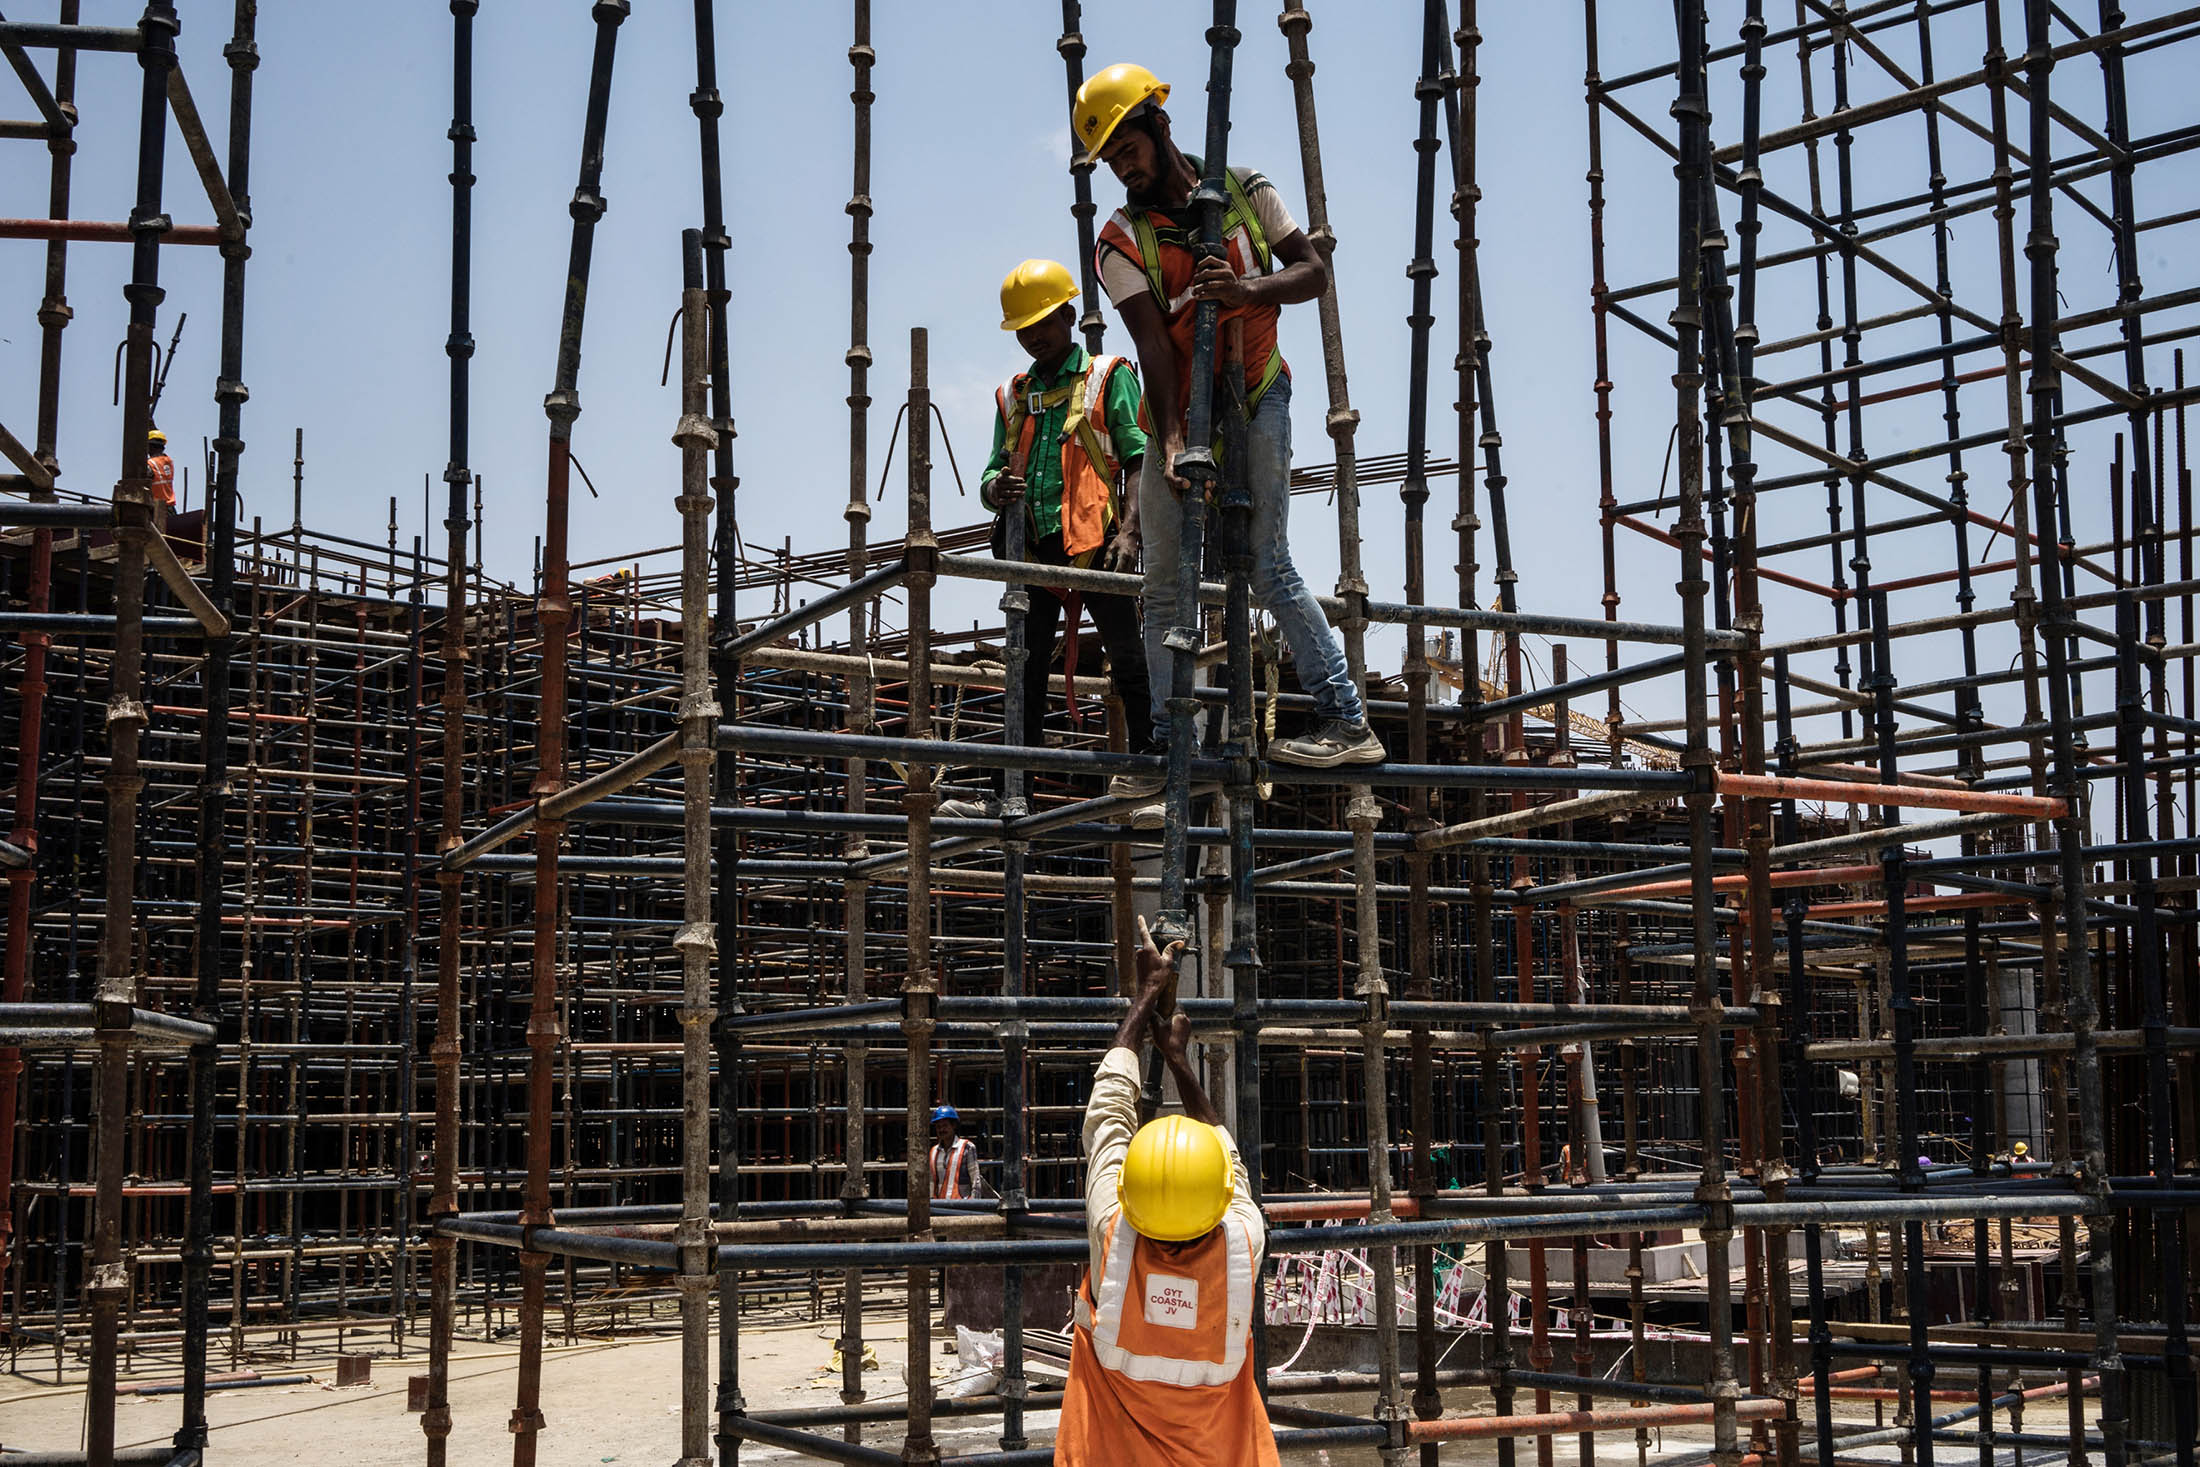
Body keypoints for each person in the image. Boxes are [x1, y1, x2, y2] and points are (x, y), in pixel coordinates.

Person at [1074, 63, 1383, 770]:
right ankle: (1167, 747)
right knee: (1161, 591)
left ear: (1159, 126)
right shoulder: (1119, 241)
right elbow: (1151, 344)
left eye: (1130, 148)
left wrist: (1246, 289)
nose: (1125, 168)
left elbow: (1311, 271)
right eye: (1113, 159)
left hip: (1255, 390)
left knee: (1268, 562)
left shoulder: (1247, 191)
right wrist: (1176, 440)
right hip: (1174, 411)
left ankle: (1345, 718)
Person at [940, 259, 1166, 827]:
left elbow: (1138, 454)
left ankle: (1150, 771)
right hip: (1034, 550)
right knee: (1026, 668)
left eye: (1043, 324)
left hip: (1097, 541)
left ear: (1069, 315)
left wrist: (1134, 532)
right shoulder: (1014, 394)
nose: (1033, 337)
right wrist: (997, 487)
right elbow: (991, 475)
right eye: (1023, 329)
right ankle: (1011, 791)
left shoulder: (1107, 375)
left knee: (1130, 658)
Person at [1055, 916, 1274, 1466]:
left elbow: (1107, 1118)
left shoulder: (1114, 1237)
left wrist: (1145, 995)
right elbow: (1231, 1160)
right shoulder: (1241, 1246)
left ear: (1133, 1192)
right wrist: (1179, 1059)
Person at [929, 1105, 989, 1200]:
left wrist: (974, 1204)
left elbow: (975, 1180)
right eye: (938, 1127)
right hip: (939, 1207)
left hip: (961, 1206)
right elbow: (931, 1182)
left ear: (954, 1126)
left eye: (945, 1125)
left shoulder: (967, 1147)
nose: (941, 1130)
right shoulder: (933, 1152)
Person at [146, 428, 175, 515]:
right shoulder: (169, 461)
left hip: (156, 510)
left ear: (150, 446)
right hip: (170, 509)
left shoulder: (150, 464)